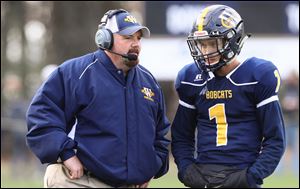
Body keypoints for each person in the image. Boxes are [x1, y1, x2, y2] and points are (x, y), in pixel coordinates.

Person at [26, 9, 170, 188]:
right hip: (80, 180)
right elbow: (41, 115)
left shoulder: (149, 82)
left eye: (138, 38)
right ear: (105, 39)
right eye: (128, 37)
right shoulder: (76, 72)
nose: (135, 44)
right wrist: (66, 154)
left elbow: (160, 135)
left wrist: (148, 168)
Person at [171, 4, 285, 188]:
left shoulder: (257, 75)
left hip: (241, 173)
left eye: (212, 43)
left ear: (232, 40)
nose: (206, 51)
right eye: (202, 44)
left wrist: (251, 176)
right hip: (203, 174)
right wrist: (186, 170)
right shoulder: (190, 78)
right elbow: (181, 136)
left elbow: (275, 140)